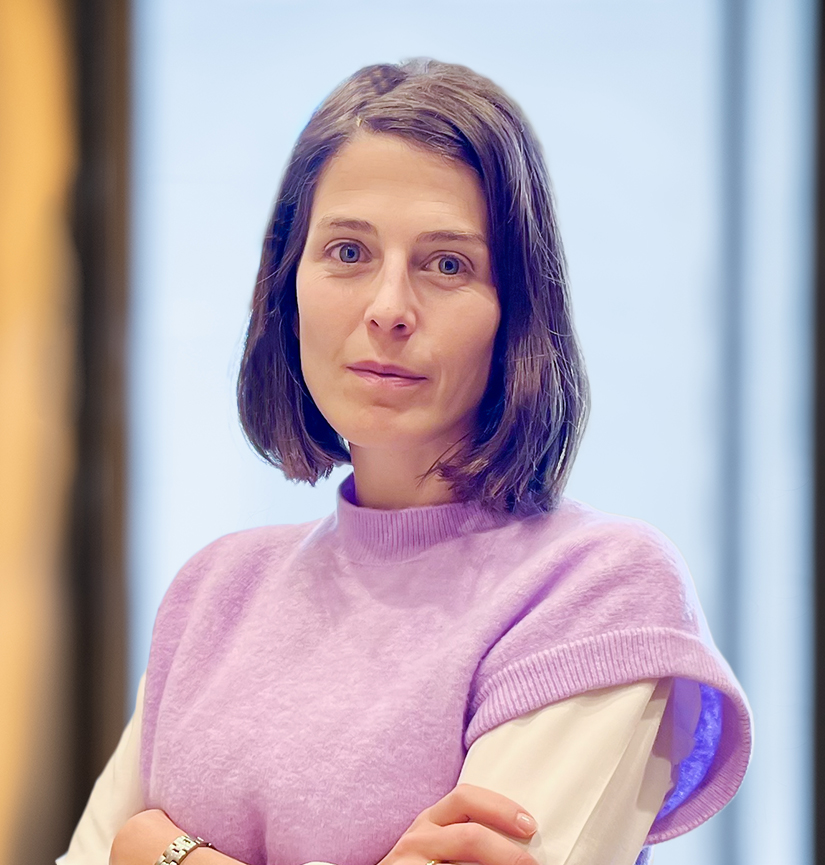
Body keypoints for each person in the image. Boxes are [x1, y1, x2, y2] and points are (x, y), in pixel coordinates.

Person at [58, 57, 753, 865]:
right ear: (287, 290)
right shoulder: (215, 591)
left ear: (516, 310)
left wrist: (162, 850)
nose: (388, 308)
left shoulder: (597, 589)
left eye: (446, 264)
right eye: (348, 251)